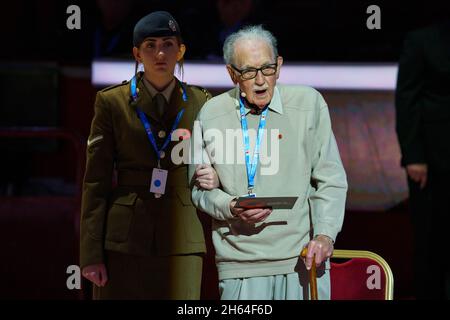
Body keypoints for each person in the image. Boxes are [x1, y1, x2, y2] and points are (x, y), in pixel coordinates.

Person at [189, 25, 347, 300]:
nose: (261, 80)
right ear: (232, 74)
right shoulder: (211, 113)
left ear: (280, 65)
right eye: (249, 72)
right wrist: (231, 206)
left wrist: (325, 236)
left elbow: (330, 179)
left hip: (302, 259)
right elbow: (199, 190)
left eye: (268, 68)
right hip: (240, 265)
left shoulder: (309, 104)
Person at [79, 11, 219, 299]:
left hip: (182, 236)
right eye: (150, 45)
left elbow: (218, 162)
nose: (159, 53)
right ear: (136, 54)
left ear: (180, 51)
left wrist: (215, 174)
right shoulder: (112, 102)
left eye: (168, 44)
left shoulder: (202, 102)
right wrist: (91, 254)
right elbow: (96, 183)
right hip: (124, 237)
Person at [395, 20, 450, 299]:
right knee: (432, 242)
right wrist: (414, 155)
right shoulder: (422, 40)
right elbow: (407, 98)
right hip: (432, 160)